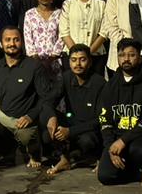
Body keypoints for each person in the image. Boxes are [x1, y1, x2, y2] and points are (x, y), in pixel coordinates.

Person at [0, 26, 50, 167]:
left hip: (26, 120)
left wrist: (31, 116)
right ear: (1, 44)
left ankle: (34, 153)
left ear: (22, 43)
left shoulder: (34, 66)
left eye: (16, 40)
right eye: (8, 40)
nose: (12, 44)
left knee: (26, 136)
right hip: (4, 118)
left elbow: (46, 98)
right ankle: (7, 152)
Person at [97, 38, 142, 186]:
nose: (126, 59)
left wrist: (123, 141)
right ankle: (139, 174)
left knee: (138, 151)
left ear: (139, 57)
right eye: (122, 55)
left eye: (131, 55)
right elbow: (104, 119)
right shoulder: (110, 85)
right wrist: (110, 148)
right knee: (105, 176)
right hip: (117, 138)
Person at [43, 44, 107, 177]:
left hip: (92, 129)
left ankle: (99, 158)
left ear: (89, 62)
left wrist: (70, 131)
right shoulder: (66, 77)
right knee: (46, 126)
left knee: (86, 141)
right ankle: (64, 160)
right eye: (73, 60)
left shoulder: (99, 83)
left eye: (82, 59)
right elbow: (48, 101)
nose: (77, 64)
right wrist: (52, 118)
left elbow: (100, 120)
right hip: (72, 121)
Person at [60, 0, 107, 74]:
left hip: (96, 55)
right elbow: (64, 32)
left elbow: (104, 32)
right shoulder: (68, 4)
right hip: (71, 56)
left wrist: (88, 53)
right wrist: (77, 56)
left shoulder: (101, 5)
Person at [23, 0, 64, 81]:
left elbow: (62, 37)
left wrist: (51, 58)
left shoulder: (59, 14)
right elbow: (28, 38)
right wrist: (37, 60)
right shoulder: (30, 14)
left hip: (55, 62)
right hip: (35, 62)